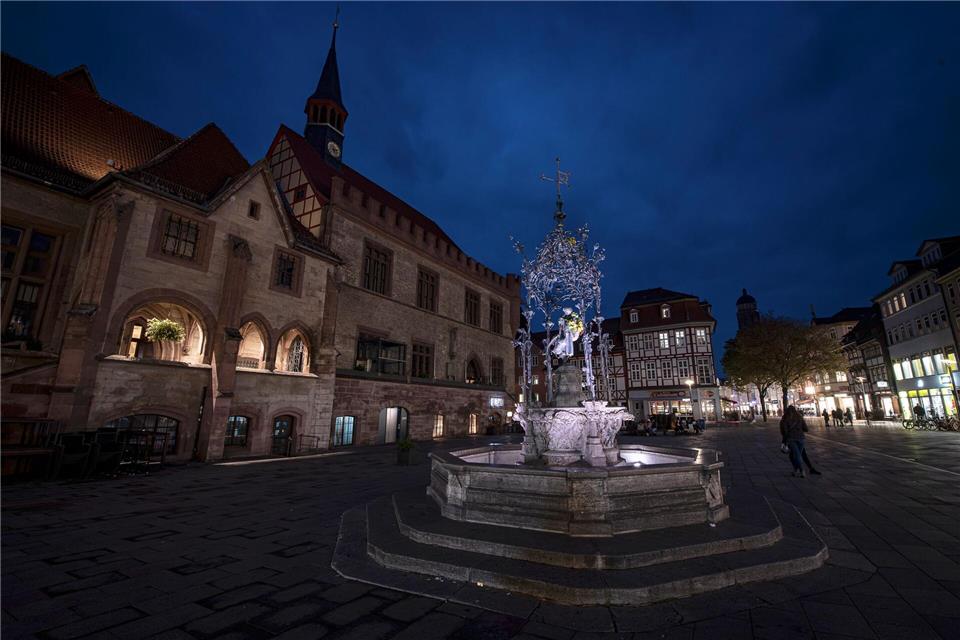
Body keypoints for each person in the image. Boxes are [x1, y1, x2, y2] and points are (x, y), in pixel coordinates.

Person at [780, 405, 812, 477]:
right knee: (798, 455)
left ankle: (802, 471)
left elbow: (784, 432)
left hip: (791, 439)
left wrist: (784, 441)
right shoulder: (800, 418)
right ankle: (796, 470)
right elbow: (806, 429)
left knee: (797, 455)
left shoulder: (785, 419)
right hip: (801, 438)